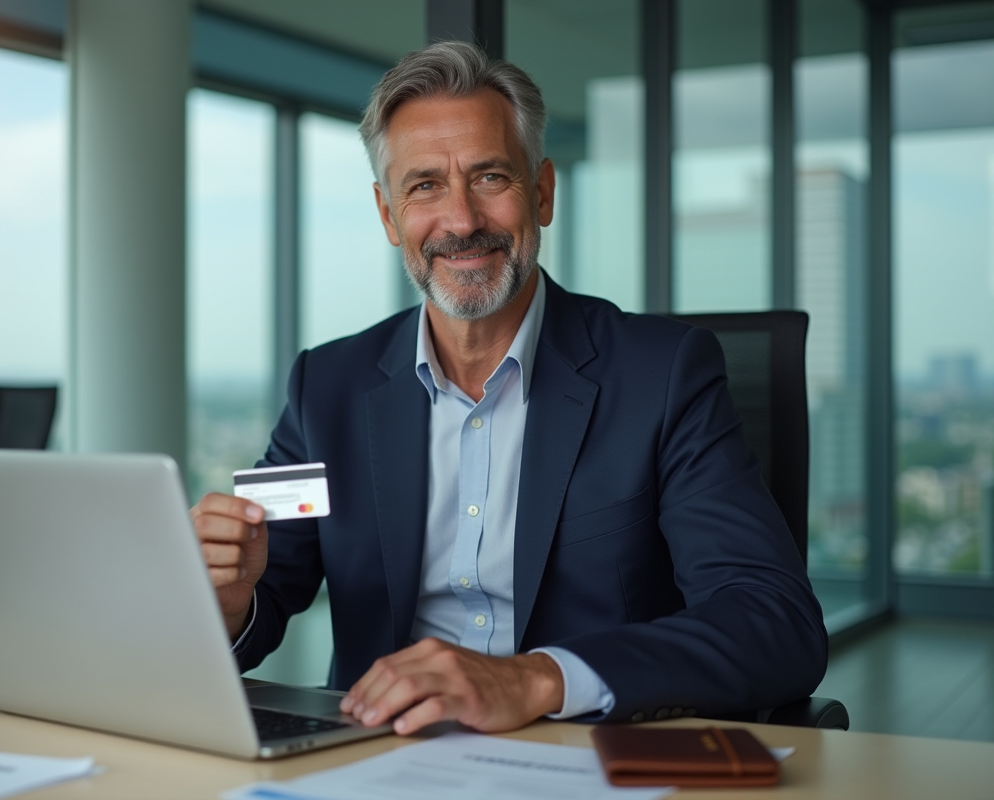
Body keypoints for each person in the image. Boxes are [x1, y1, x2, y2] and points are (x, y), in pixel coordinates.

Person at [191, 40, 827, 736]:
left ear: (543, 192)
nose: (461, 221)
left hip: (578, 759)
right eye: (425, 185)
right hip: (373, 761)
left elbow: (774, 620)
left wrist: (537, 678)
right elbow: (262, 594)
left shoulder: (663, 375)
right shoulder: (328, 387)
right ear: (387, 215)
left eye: (491, 177)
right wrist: (225, 602)